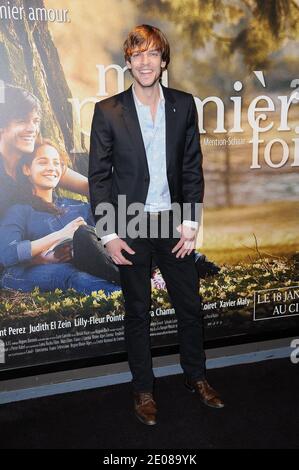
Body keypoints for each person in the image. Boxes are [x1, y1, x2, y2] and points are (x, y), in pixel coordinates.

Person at [89, 24, 224, 426]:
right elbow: (98, 178)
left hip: (172, 223)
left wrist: (190, 223)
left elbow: (190, 168)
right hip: (128, 224)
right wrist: (109, 234)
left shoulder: (183, 105)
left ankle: (196, 378)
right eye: (137, 54)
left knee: (190, 307)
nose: (145, 62)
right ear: (128, 62)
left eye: (152, 54)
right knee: (138, 312)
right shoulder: (108, 110)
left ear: (163, 61)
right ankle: (143, 389)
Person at [0, 140, 120, 295]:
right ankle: (129, 290)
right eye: (43, 162)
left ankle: (136, 276)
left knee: (91, 233)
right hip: (25, 271)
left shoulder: (76, 206)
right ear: (27, 169)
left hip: (81, 262)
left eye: (57, 163)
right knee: (71, 274)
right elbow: (7, 254)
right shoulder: (19, 211)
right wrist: (61, 235)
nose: (51, 168)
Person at [0, 84, 89, 220]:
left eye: (35, 121)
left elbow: (92, 188)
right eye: (22, 121)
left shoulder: (39, 156)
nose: (32, 129)